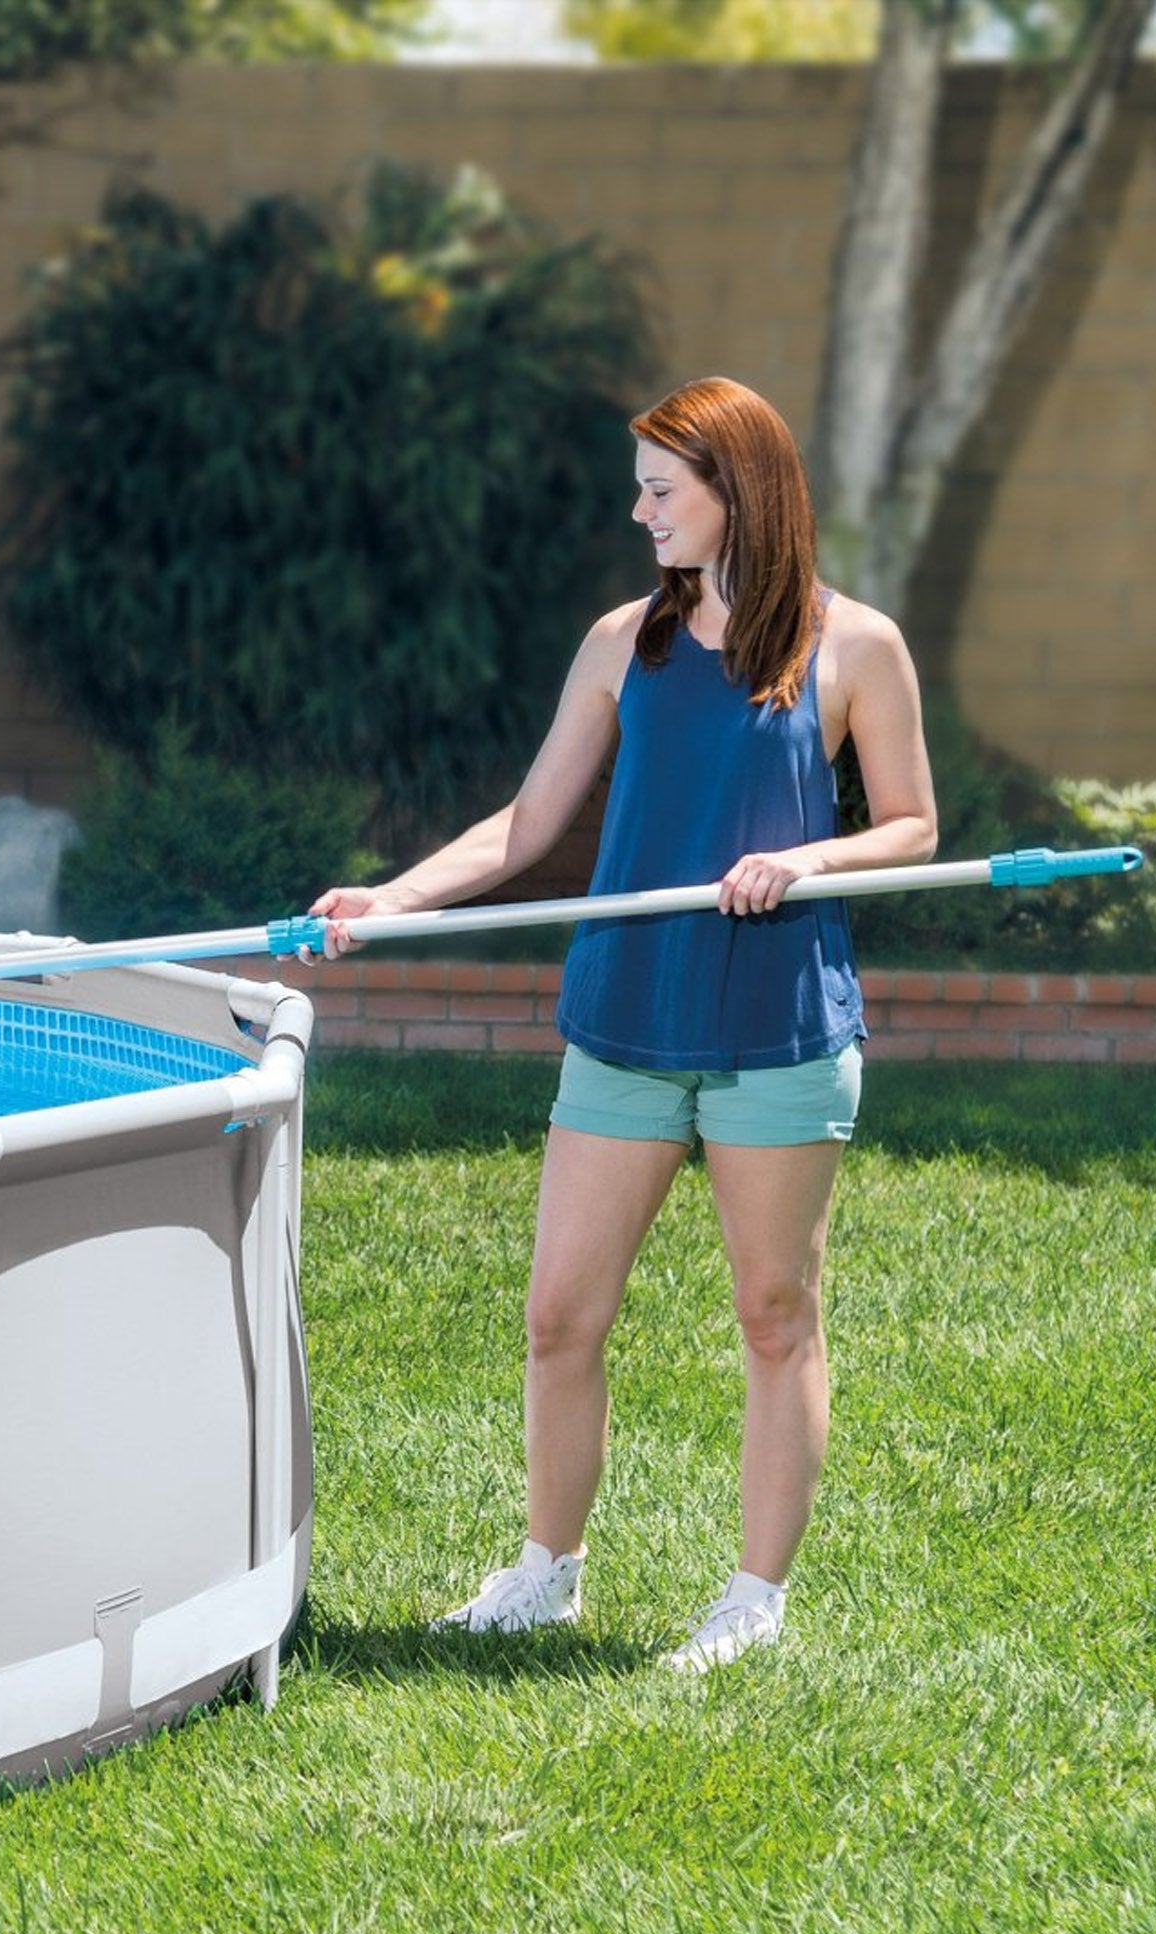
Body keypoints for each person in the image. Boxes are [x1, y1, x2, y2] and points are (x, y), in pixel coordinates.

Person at [308, 376, 937, 1672]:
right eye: (640, 488)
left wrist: (807, 860)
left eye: (661, 489)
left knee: (775, 1311)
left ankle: (753, 1599)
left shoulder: (856, 646)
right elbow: (527, 825)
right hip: (626, 1018)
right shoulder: (623, 642)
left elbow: (915, 827)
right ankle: (546, 1572)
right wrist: (394, 898)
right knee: (559, 1315)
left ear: (736, 490)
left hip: (777, 1027)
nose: (641, 512)